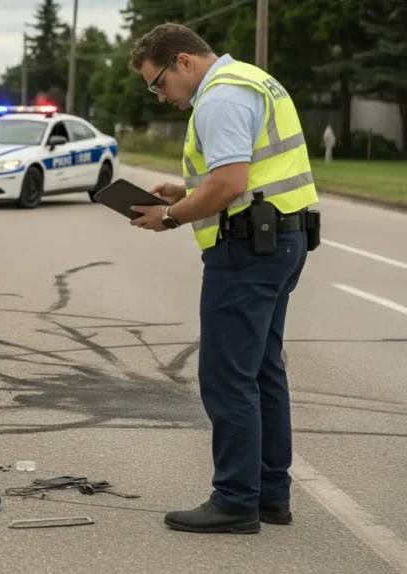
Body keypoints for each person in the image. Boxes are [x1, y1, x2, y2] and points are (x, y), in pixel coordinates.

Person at [126, 23, 320, 534]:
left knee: (227, 375)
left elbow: (231, 182)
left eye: (159, 83)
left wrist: (171, 216)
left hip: (247, 250)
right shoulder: (252, 79)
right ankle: (270, 495)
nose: (161, 96)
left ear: (184, 61)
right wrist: (185, 192)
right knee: (262, 370)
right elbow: (241, 175)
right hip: (281, 239)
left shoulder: (220, 98)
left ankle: (235, 501)